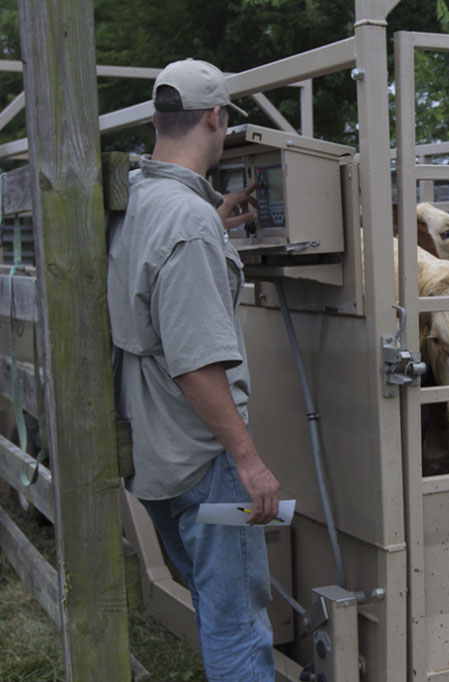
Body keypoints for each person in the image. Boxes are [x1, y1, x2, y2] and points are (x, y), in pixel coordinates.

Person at [107, 58, 279, 682]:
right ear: (217, 117)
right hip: (205, 462)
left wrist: (215, 223)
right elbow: (195, 363)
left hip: (156, 455)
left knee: (215, 606)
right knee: (238, 626)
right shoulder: (189, 225)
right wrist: (248, 461)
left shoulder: (135, 198)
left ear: (157, 118)